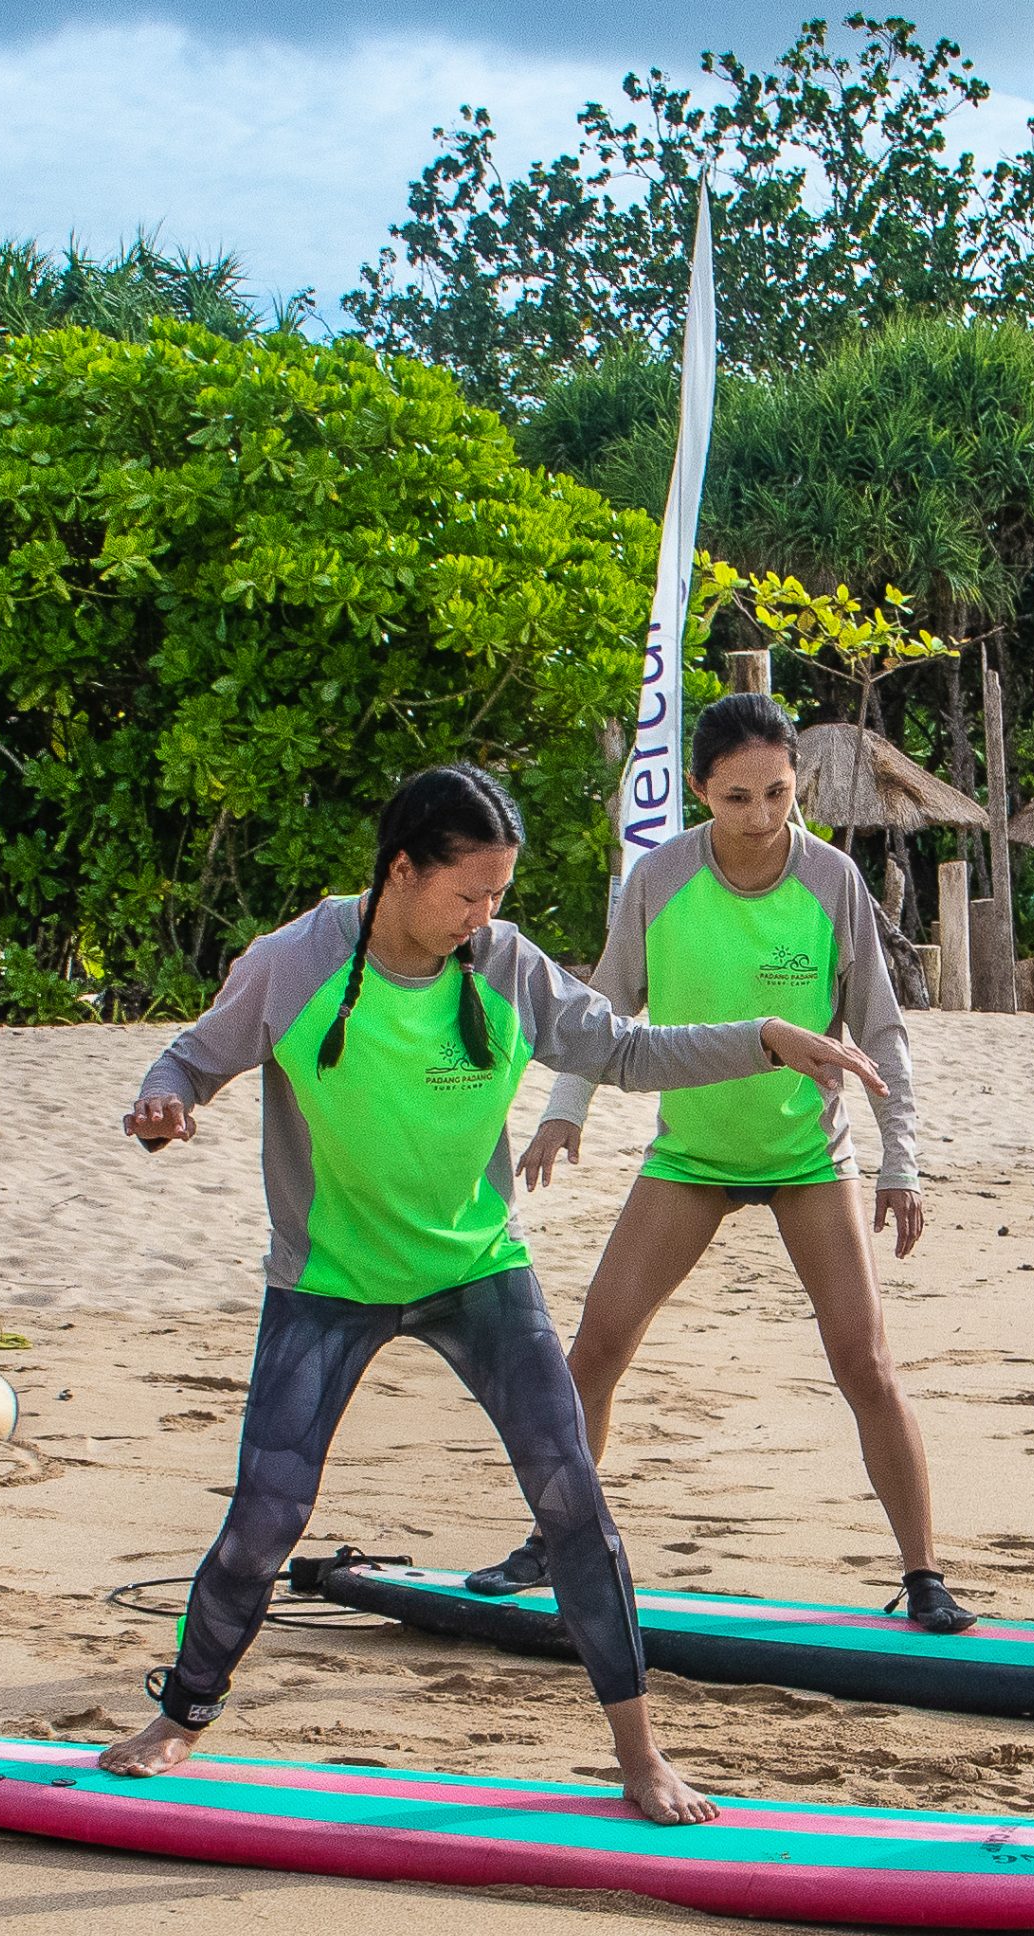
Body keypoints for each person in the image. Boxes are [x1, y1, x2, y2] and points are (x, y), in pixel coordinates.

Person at [102, 760, 890, 1822]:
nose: (485, 916)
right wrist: (164, 1101)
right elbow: (191, 1059)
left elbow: (623, 1048)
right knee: (265, 1514)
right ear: (400, 872)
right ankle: (182, 1713)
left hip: (479, 1271)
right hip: (329, 1283)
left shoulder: (506, 966)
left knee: (572, 1496)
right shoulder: (293, 964)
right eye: (468, 893)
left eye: (500, 896)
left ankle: (642, 1756)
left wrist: (761, 1038)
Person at [491, 693, 977, 1633]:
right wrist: (564, 1109)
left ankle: (924, 1577)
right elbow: (601, 1008)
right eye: (739, 797)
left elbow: (883, 1029)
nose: (762, 818)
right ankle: (558, 1543)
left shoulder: (832, 880)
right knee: (594, 1346)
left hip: (808, 1158)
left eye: (780, 795)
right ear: (701, 791)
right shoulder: (661, 879)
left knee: (865, 1364)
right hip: (692, 1155)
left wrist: (900, 1162)